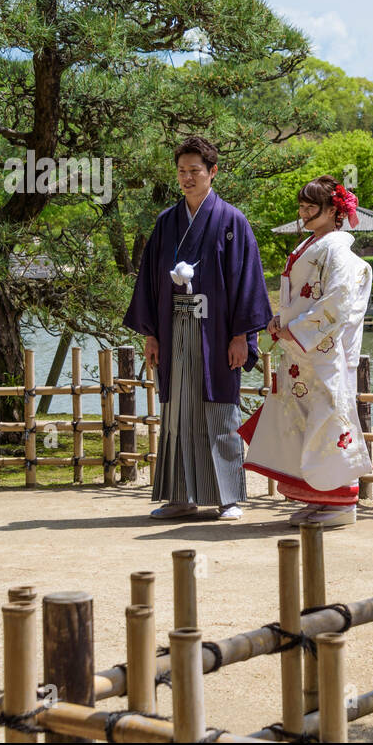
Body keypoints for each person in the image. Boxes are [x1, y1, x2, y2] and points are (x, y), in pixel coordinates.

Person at [124, 136, 273, 520]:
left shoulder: (231, 222)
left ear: (212, 172)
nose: (187, 178)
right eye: (181, 171)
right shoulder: (166, 222)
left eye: (195, 171)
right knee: (176, 413)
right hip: (173, 328)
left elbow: (246, 281)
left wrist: (243, 335)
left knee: (219, 409)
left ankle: (229, 497)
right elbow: (150, 283)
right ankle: (181, 495)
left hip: (218, 331)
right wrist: (151, 334)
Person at [239, 175, 373, 528]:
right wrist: (279, 320)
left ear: (333, 210)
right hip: (303, 354)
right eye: (301, 207)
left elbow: (338, 303)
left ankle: (342, 501)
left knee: (329, 422)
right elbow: (302, 298)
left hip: (322, 354)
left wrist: (294, 330)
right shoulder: (314, 246)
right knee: (303, 423)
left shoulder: (337, 250)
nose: (304, 213)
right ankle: (318, 498)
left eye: (311, 207)